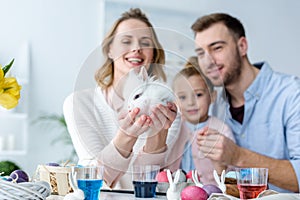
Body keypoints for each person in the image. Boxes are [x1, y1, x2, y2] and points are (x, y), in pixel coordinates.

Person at [63, 8, 179, 189]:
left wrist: (158, 135)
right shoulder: (79, 103)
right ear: (110, 50)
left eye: (145, 42)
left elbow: (147, 184)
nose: (136, 48)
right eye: (126, 41)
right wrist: (127, 136)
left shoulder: (169, 111)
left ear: (154, 54)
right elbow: (96, 180)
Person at [191, 13, 300, 193]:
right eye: (201, 53)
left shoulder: (292, 94)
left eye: (217, 48)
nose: (207, 61)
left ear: (242, 46)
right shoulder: (216, 107)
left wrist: (238, 156)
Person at [169, 64, 235, 185]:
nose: (190, 102)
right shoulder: (173, 129)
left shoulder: (221, 130)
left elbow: (231, 173)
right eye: (182, 97)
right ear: (175, 101)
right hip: (176, 192)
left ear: (212, 96)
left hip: (211, 193)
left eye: (198, 95)